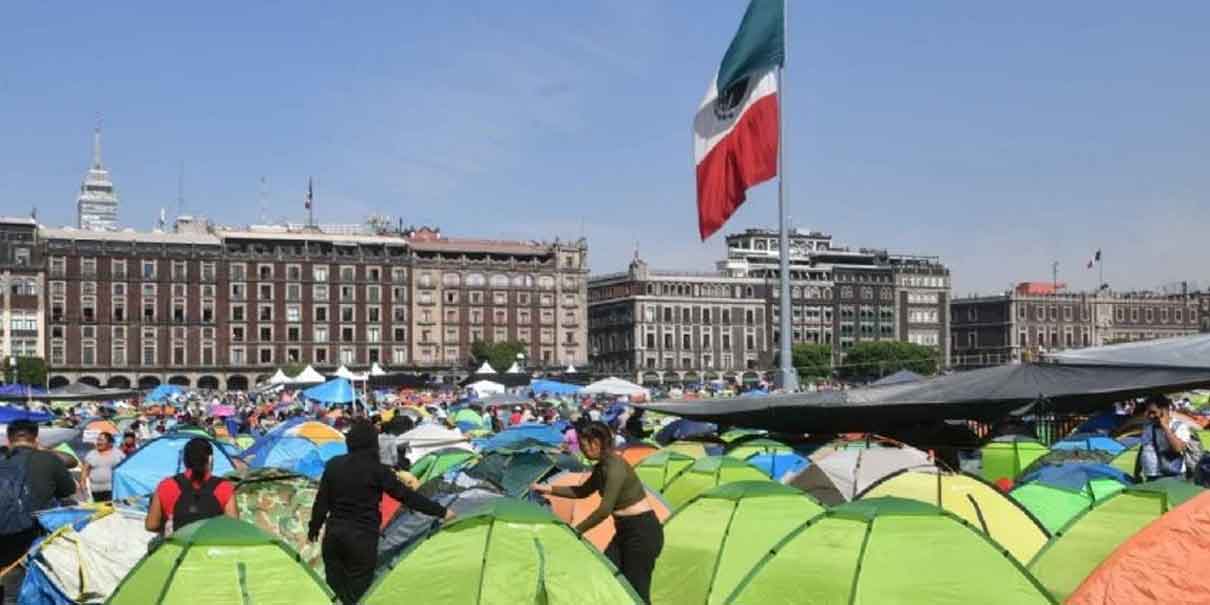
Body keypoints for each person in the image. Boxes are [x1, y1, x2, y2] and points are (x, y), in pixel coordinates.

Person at [309, 420, 454, 605]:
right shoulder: (377, 470)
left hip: (334, 537)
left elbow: (321, 502)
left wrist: (314, 528)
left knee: (335, 593)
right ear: (372, 443)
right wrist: (441, 511)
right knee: (358, 595)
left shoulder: (333, 465)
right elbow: (407, 497)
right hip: (362, 540)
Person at [531, 422, 663, 603]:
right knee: (607, 573)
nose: (582, 450)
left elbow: (604, 510)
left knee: (636, 590)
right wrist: (546, 489)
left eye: (583, 445)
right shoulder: (602, 467)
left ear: (596, 443)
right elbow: (582, 491)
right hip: (625, 530)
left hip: (642, 531)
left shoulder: (615, 467)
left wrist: (576, 530)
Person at [0, 421, 76, 605]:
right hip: (35, 532)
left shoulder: (3, 458)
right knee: (30, 584)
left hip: (4, 532)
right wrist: (44, 451)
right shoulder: (47, 459)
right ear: (35, 438)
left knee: (8, 580)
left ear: (9, 439)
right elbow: (68, 489)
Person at [144, 438, 237, 536]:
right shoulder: (224, 487)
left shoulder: (165, 485)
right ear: (210, 459)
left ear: (184, 460)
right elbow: (234, 527)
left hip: (178, 543)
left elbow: (151, 525)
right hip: (210, 543)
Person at [1139, 395, 1195, 481]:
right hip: (1151, 475)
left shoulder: (1178, 426)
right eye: (1148, 412)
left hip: (1173, 475)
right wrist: (1137, 472)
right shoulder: (1149, 427)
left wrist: (1165, 427)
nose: (1150, 416)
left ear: (1164, 410)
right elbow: (1144, 449)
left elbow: (1178, 448)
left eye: (1153, 412)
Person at [81, 432, 125, 502]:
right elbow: (85, 471)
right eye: (98, 440)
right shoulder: (91, 454)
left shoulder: (118, 454)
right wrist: (83, 485)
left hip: (112, 491)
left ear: (109, 442)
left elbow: (124, 470)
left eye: (101, 440)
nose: (98, 442)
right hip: (94, 491)